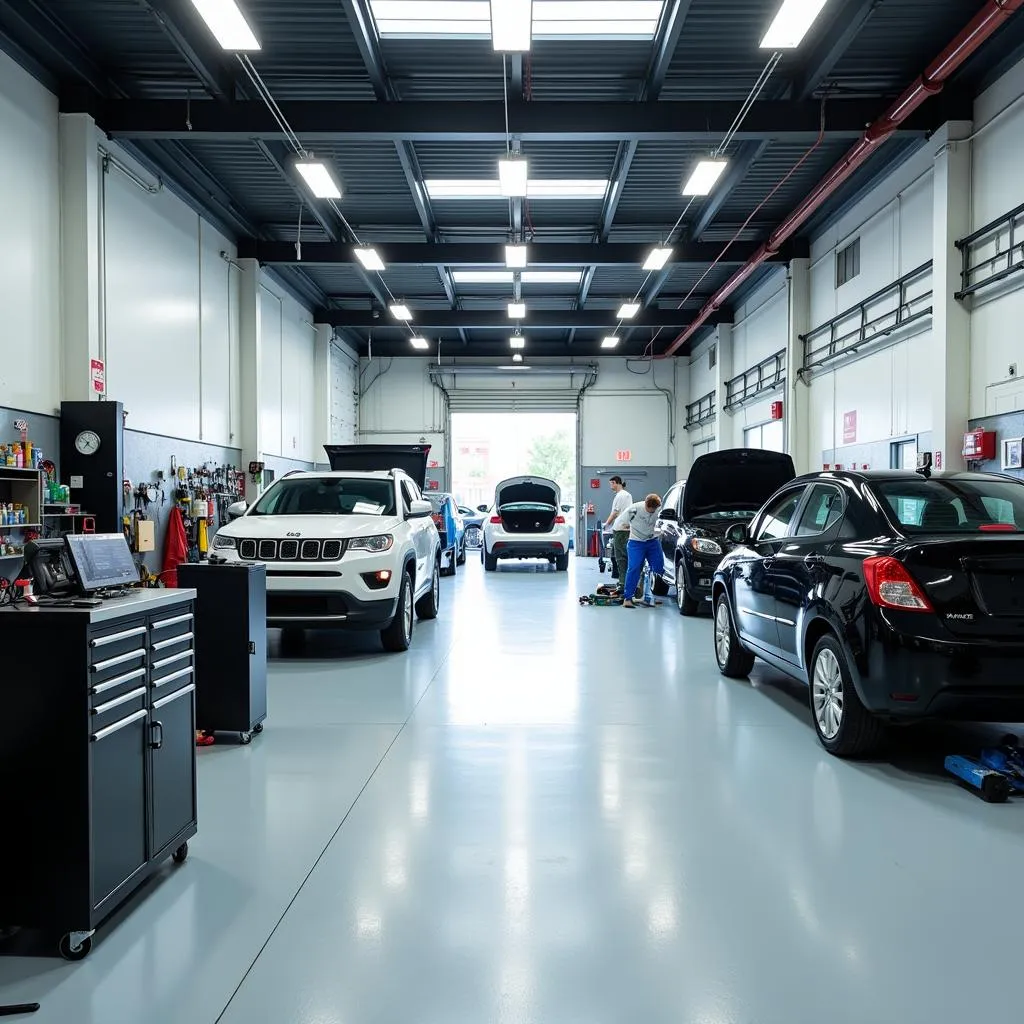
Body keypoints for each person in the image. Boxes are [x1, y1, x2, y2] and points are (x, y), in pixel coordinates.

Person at [617, 493, 665, 609]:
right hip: (636, 542)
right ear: (645, 504)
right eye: (650, 509)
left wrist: (659, 531)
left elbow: (662, 522)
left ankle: (648, 596)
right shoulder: (634, 509)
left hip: (652, 541)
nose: (652, 511)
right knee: (634, 567)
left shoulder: (659, 509)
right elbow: (620, 522)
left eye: (654, 509)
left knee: (659, 567)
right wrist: (629, 529)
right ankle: (627, 598)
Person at [603, 476, 632, 592]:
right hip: (624, 528)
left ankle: (623, 583)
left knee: (621, 558)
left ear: (617, 483)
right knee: (622, 556)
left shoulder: (621, 495)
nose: (611, 486)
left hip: (621, 529)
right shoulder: (627, 495)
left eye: (612, 483)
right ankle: (625, 581)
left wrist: (606, 524)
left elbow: (615, 513)